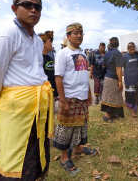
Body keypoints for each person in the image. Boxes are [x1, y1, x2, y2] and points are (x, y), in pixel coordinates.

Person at [0, 0, 54, 181]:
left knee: (37, 152)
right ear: (14, 8)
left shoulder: (37, 41)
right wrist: (1, 95)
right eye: (27, 5)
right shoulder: (7, 34)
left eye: (38, 7)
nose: (33, 10)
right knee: (16, 158)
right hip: (17, 108)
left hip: (38, 106)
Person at [53, 23, 96, 175]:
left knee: (81, 125)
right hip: (70, 97)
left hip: (82, 97)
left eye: (81, 33)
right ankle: (65, 157)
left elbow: (84, 75)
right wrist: (62, 100)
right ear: (68, 36)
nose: (79, 35)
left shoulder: (83, 53)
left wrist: (89, 93)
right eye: (75, 33)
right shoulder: (62, 53)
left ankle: (78, 148)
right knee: (66, 127)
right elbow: (58, 77)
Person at [100, 37, 124, 122]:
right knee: (112, 97)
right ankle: (107, 116)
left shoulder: (107, 53)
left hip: (107, 77)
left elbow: (104, 65)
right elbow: (118, 68)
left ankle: (112, 114)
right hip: (113, 78)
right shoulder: (117, 53)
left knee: (110, 97)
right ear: (117, 43)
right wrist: (120, 81)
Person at [122, 42, 138, 117]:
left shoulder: (136, 55)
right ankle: (128, 104)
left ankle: (134, 110)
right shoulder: (124, 56)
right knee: (128, 93)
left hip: (135, 78)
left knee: (134, 94)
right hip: (128, 78)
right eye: (130, 49)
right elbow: (122, 65)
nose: (132, 50)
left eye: (133, 49)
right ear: (128, 49)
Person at [40, 31, 58, 99]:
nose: (51, 44)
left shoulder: (49, 58)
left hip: (53, 93)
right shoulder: (38, 59)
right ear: (43, 43)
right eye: (50, 41)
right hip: (43, 95)